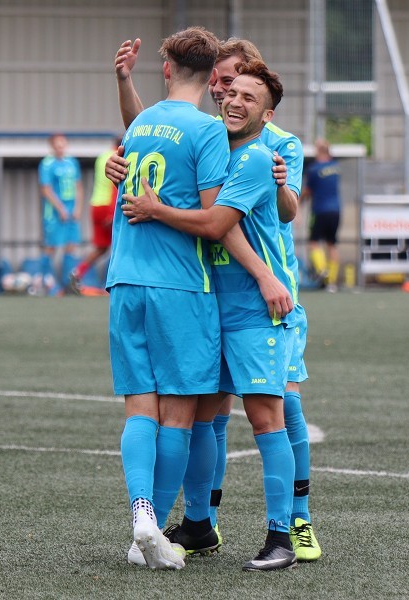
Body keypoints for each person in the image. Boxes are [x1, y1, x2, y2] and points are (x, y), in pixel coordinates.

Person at [110, 36, 321, 564]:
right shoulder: (212, 141)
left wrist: (270, 274)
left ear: (266, 110)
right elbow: (152, 133)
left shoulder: (264, 153)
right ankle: (199, 523)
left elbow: (226, 224)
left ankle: (290, 530)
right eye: (226, 87)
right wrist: (126, 161)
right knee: (205, 416)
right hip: (208, 300)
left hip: (257, 300)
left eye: (245, 93)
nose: (230, 96)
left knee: (272, 410)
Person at [106, 25, 230, 571]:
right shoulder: (207, 131)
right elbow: (212, 221)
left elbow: (135, 126)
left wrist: (122, 79)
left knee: (140, 407)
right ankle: (150, 523)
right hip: (181, 286)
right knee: (178, 416)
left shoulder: (141, 128)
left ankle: (140, 521)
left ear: (166, 69)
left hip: (125, 279)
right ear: (212, 77)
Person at [69, 136, 121, 292]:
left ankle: (77, 272)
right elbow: (115, 186)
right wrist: (112, 213)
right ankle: (116, 282)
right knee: (120, 245)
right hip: (108, 207)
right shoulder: (119, 157)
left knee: (101, 247)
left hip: (96, 205)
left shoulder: (102, 156)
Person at [38, 133, 83, 284]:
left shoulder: (72, 162)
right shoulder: (47, 164)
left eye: (63, 145)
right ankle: (46, 282)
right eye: (57, 146)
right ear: (52, 147)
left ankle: (67, 284)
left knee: (71, 245)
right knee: (51, 246)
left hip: (71, 210)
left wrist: (77, 208)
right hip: (54, 212)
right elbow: (46, 189)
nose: (60, 148)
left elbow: (78, 187)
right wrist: (60, 208)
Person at [303, 138, 342, 292]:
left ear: (317, 151)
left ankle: (322, 271)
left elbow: (308, 191)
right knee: (332, 245)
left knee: (313, 242)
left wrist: (298, 201)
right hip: (336, 210)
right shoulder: (336, 167)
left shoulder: (314, 169)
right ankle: (331, 282)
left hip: (319, 210)